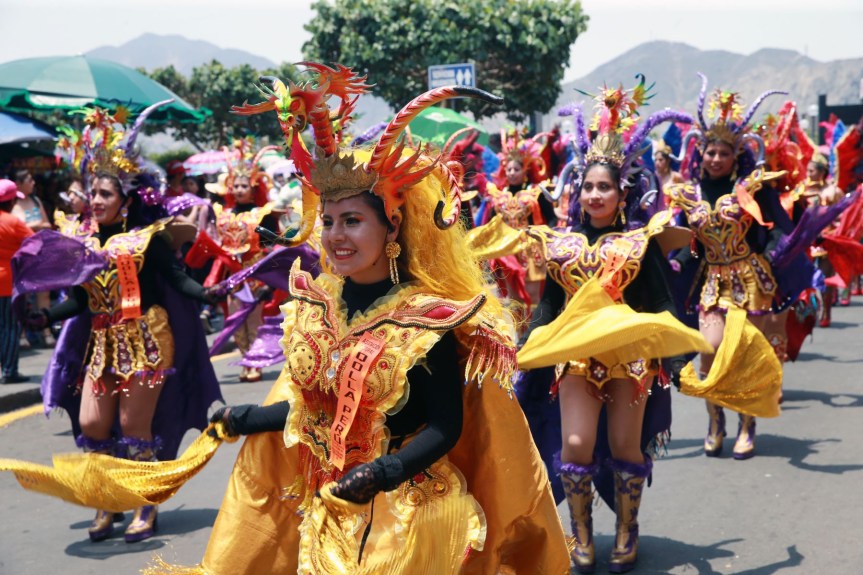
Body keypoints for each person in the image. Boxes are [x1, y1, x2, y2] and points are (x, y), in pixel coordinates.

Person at [151, 64, 569, 575]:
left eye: (352, 220)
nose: (334, 236)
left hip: (406, 520)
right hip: (323, 505)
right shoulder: (315, 307)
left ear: (391, 226)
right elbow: (312, 413)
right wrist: (242, 419)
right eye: (327, 221)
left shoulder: (426, 319)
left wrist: (385, 471)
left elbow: (445, 425)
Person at [518, 81, 705, 573]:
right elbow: (548, 309)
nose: (594, 194)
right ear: (577, 193)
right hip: (576, 360)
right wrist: (520, 353)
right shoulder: (562, 246)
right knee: (575, 445)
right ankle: (582, 536)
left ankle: (627, 528)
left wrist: (680, 360)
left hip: (633, 361)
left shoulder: (639, 243)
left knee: (625, 446)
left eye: (604, 186)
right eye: (588, 186)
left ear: (623, 193)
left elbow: (662, 303)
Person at [18, 104, 222, 543]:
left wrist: (208, 293)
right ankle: (107, 501)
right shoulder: (83, 244)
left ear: (125, 201)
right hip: (100, 343)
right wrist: (44, 316)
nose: (95, 200)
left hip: (146, 339)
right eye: (93, 193)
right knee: (92, 426)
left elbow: (177, 279)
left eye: (105, 194)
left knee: (134, 429)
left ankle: (143, 506)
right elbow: (77, 301)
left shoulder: (149, 239)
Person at [666, 75, 792, 460]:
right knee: (711, 349)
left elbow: (777, 228)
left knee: (742, 354)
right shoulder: (688, 194)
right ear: (700, 154)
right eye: (710, 152)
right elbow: (687, 242)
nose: (716, 159)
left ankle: (746, 427)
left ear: (735, 156)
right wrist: (673, 260)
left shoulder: (753, 186)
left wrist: (771, 254)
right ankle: (715, 421)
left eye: (724, 153)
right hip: (712, 283)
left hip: (751, 280)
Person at [184, 139, 281, 382]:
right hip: (232, 278)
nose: (238, 189)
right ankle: (246, 358)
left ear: (253, 187)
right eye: (235, 185)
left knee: (255, 321)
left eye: (244, 185)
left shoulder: (264, 213)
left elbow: (272, 245)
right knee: (236, 321)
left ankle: (255, 363)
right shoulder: (222, 214)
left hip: (255, 276)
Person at [11, 169, 55, 347]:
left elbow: (47, 223)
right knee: (23, 294)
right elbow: (14, 228)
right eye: (29, 180)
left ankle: (46, 330)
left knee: (43, 292)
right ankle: (22, 334)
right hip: (22, 254)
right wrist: (33, 226)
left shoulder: (36, 201)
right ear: (19, 184)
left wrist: (35, 225)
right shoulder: (13, 204)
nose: (33, 183)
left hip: (40, 251)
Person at [0, 179, 33, 384]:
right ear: (11, 201)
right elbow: (36, 243)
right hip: (8, 282)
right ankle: (10, 371)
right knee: (11, 327)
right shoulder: (13, 222)